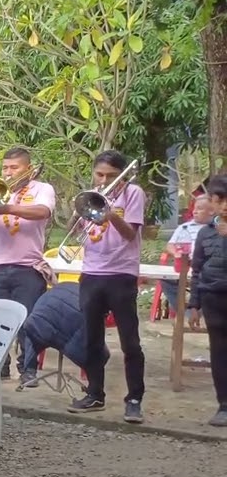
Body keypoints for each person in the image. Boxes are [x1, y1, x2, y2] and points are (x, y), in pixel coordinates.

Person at [69, 150, 147, 422]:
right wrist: (77, 211)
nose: (104, 180)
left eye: (112, 176)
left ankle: (134, 398)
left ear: (123, 175)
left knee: (130, 341)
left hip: (121, 274)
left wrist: (111, 214)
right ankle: (95, 394)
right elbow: (79, 231)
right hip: (91, 273)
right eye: (100, 174)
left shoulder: (133, 193)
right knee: (91, 338)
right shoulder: (92, 194)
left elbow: (129, 235)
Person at [0, 147, 55, 385]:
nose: (8, 172)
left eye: (14, 168)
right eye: (5, 167)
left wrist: (6, 208)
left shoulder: (42, 189)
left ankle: (28, 370)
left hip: (28, 266)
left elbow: (43, 211)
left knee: (28, 321)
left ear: (27, 168)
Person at [189, 175, 227, 427]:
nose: (224, 206)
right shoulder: (205, 233)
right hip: (214, 298)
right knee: (220, 353)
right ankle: (224, 405)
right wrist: (195, 304)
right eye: (219, 199)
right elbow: (197, 268)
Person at [161, 195, 213, 314]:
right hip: (186, 265)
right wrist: (176, 253)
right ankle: (185, 313)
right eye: (194, 208)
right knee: (165, 280)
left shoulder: (217, 228)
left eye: (199, 208)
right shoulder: (184, 227)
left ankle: (202, 312)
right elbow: (170, 245)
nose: (195, 211)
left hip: (208, 269)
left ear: (211, 211)